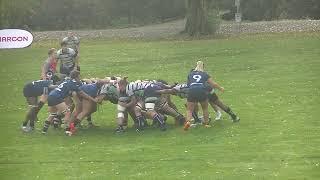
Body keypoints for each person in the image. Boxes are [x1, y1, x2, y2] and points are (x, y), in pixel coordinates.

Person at [41, 70, 97, 136]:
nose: (80, 77)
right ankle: (67, 130)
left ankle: (44, 131)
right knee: (67, 113)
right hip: (57, 97)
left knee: (53, 114)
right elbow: (82, 93)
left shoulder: (67, 81)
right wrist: (93, 99)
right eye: (79, 76)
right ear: (77, 76)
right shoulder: (73, 84)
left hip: (51, 95)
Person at [184, 61, 225, 130]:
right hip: (201, 90)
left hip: (191, 90)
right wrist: (221, 88)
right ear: (203, 67)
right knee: (205, 108)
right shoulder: (204, 74)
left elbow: (188, 85)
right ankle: (206, 123)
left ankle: (188, 122)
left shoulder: (190, 74)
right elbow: (213, 84)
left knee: (189, 110)